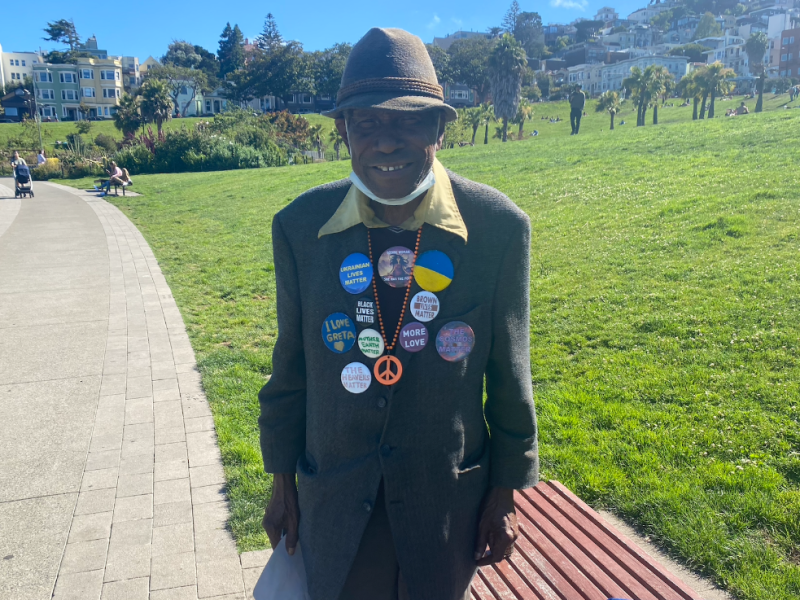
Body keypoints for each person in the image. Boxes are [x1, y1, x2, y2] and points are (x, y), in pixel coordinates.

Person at [259, 27, 538, 600]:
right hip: (334, 495)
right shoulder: (299, 228)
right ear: (343, 131)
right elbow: (290, 368)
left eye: (408, 120)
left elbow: (510, 374)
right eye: (367, 122)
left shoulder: (497, 228)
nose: (386, 141)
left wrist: (507, 490)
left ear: (439, 128)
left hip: (445, 503)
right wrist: (281, 482)